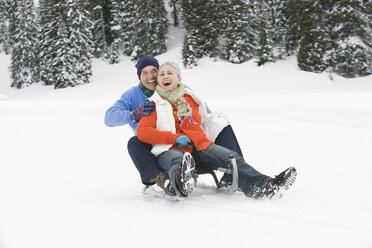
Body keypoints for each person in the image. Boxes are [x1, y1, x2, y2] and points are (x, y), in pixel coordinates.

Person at [136, 62, 297, 198]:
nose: (165, 76)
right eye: (162, 74)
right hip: (169, 149)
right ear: (158, 81)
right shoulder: (153, 104)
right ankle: (180, 186)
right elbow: (142, 132)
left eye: (169, 73)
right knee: (176, 161)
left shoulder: (191, 98)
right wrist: (174, 138)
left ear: (179, 78)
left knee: (231, 158)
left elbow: (204, 119)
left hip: (199, 146)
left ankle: (264, 187)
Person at [104, 54, 244, 196]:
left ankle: (237, 171)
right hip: (154, 143)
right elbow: (109, 118)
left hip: (184, 140)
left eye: (154, 71)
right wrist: (134, 114)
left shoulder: (178, 88)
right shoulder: (133, 94)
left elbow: (205, 114)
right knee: (134, 143)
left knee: (219, 123)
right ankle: (159, 179)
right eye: (144, 73)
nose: (150, 76)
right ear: (140, 77)